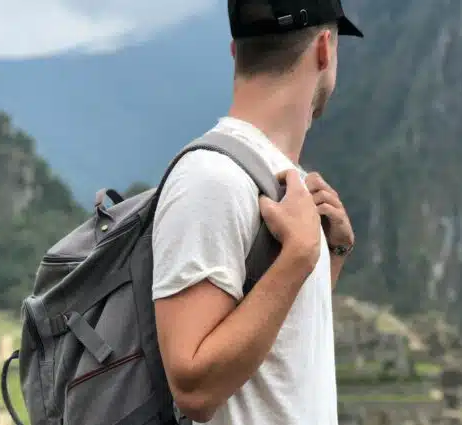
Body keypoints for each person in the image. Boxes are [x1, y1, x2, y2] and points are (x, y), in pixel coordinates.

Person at [150, 0, 363, 424]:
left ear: (235, 52)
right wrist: (300, 256)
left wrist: (330, 254)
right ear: (325, 49)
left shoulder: (281, 179)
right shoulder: (211, 180)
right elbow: (193, 388)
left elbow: (280, 352)